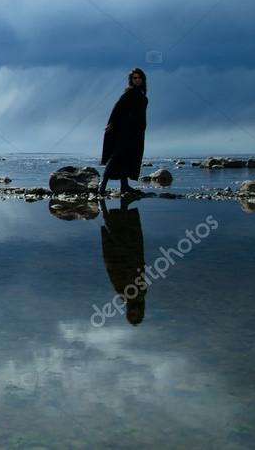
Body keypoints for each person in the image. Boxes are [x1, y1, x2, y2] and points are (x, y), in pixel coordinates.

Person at [98, 68, 148, 196]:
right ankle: (102, 186)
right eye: (134, 78)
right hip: (125, 131)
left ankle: (124, 186)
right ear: (131, 80)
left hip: (136, 132)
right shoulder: (129, 93)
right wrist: (111, 123)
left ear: (143, 79)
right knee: (117, 157)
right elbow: (117, 109)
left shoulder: (141, 94)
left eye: (139, 77)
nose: (137, 80)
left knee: (128, 157)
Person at [100, 199, 147, 325]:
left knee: (117, 227)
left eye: (131, 314)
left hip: (119, 257)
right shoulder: (135, 294)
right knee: (121, 228)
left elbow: (115, 276)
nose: (132, 312)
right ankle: (121, 200)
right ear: (140, 312)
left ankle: (120, 200)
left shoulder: (127, 296)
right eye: (135, 314)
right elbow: (138, 271)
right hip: (127, 255)